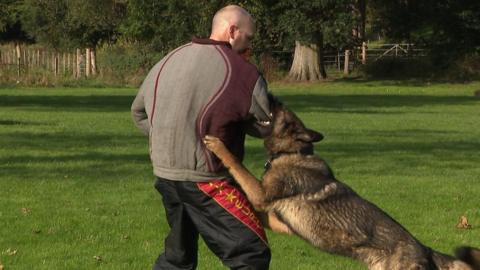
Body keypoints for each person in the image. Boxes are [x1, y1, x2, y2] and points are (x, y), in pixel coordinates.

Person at [131, 5, 273, 270]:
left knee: (177, 258)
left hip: (165, 175)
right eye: (249, 38)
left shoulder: (168, 59)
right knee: (250, 254)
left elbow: (139, 111)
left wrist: (169, 139)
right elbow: (268, 125)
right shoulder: (242, 72)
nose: (250, 44)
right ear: (233, 31)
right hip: (207, 181)